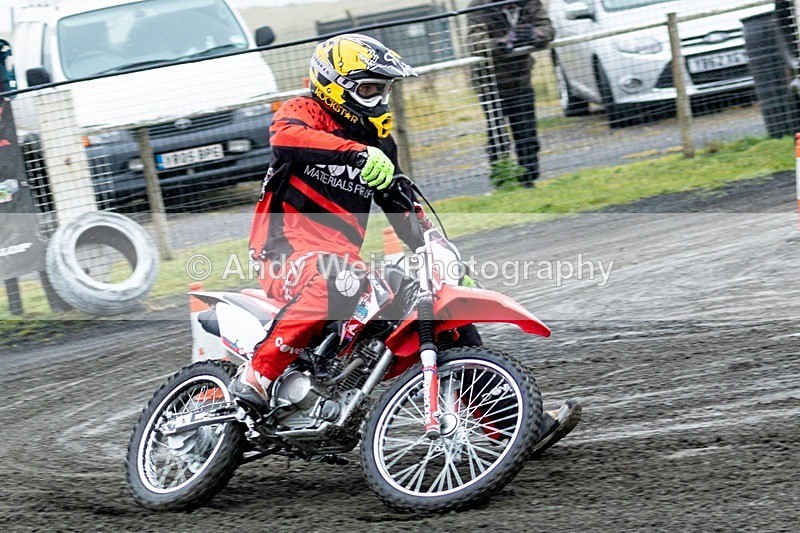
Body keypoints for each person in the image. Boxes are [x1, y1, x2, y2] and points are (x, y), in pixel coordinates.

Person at [230, 33, 579, 449]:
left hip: (341, 260)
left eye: (384, 89)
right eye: (368, 89)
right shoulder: (303, 112)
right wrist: (355, 153)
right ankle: (258, 375)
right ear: (333, 84)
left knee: (435, 306)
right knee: (339, 276)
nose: (378, 99)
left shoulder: (378, 141)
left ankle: (514, 427)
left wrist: (440, 255)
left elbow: (402, 208)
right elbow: (286, 139)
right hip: (283, 251)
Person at [467, 0, 555, 188]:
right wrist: (502, 43)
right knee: (498, 133)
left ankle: (528, 179)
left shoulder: (529, 2)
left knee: (526, 133)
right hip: (490, 82)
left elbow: (547, 28)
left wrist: (535, 34)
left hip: (521, 78)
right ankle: (503, 179)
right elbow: (475, 42)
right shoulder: (479, 5)